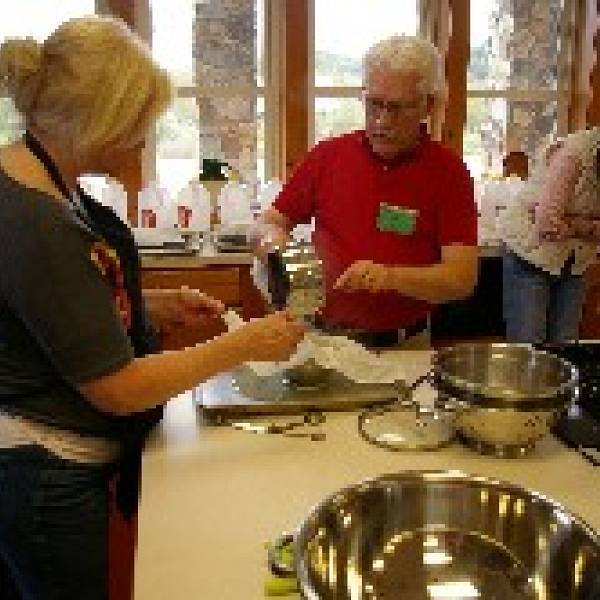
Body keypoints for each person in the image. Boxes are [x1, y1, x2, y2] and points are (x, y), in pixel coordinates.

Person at [0, 16, 304, 600]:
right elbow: (117, 387)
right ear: (96, 120)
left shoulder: (41, 176)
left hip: (46, 463)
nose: (141, 142)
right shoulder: (35, 218)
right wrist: (243, 344)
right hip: (44, 475)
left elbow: (60, 303)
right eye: (136, 125)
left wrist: (150, 305)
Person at [253, 35, 478, 350]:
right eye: (374, 104)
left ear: (428, 105)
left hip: (402, 349)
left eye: (397, 108)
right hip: (321, 341)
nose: (382, 120)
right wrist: (274, 244)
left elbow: (460, 279)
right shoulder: (329, 156)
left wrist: (391, 277)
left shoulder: (449, 174)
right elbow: (268, 223)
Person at [501, 127, 600, 343]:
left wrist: (572, 222)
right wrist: (587, 227)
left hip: (574, 263)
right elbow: (547, 225)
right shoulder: (573, 155)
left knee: (564, 349)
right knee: (529, 348)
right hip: (530, 255)